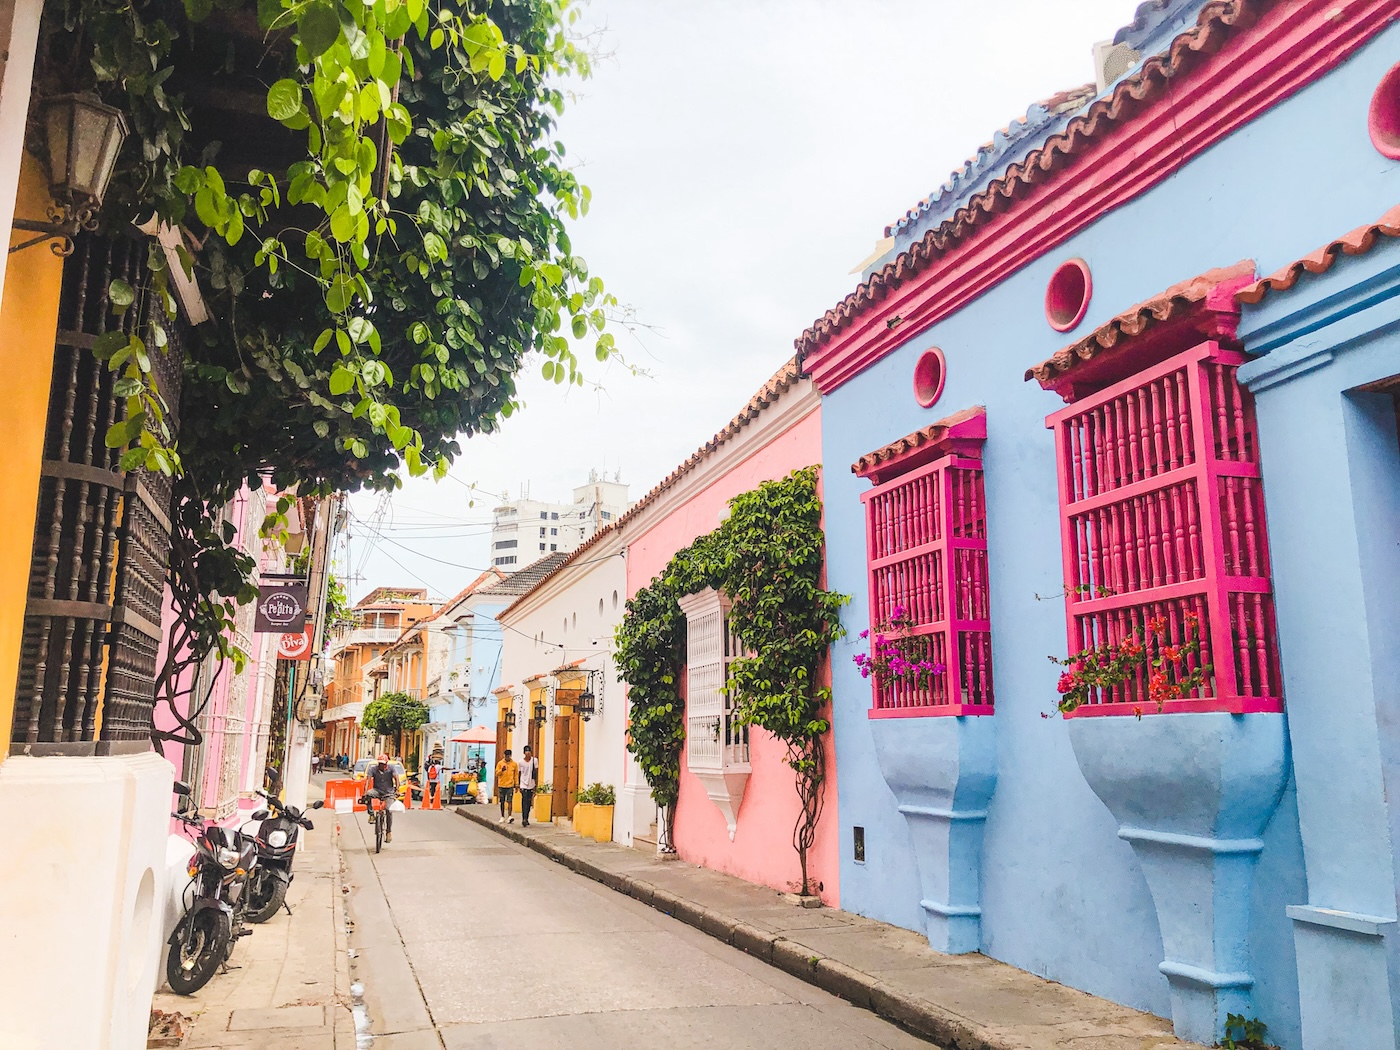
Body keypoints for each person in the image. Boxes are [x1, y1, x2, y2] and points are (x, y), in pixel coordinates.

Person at [366, 754, 400, 844]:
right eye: (380, 764)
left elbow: (396, 778)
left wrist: (397, 790)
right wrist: (364, 792)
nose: (381, 766)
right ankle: (371, 815)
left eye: (383, 764)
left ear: (386, 763)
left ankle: (388, 831)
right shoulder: (373, 769)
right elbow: (368, 780)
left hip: (389, 792)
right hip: (377, 790)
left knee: (389, 809)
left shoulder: (391, 768)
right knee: (368, 795)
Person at [494, 749, 519, 824]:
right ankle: (502, 816)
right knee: (502, 801)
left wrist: (517, 784)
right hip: (501, 785)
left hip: (510, 785)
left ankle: (509, 816)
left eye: (508, 756)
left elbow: (516, 775)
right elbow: (496, 773)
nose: (507, 757)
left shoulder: (514, 764)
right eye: (506, 756)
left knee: (510, 801)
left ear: (510, 756)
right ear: (504, 756)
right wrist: (502, 770)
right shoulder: (500, 763)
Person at [518, 745, 539, 829]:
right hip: (523, 783)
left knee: (529, 802)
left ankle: (527, 817)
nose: (528, 754)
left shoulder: (535, 760)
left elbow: (536, 772)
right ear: (524, 753)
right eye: (526, 752)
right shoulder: (520, 762)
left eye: (529, 752)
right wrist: (518, 784)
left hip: (531, 783)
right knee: (524, 801)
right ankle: (524, 818)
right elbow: (519, 773)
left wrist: (536, 785)